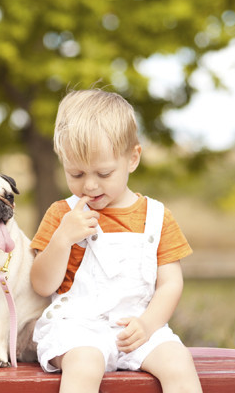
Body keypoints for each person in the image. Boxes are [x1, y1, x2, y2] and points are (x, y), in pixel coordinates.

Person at [29, 89, 202, 393]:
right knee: (84, 365)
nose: (90, 185)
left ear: (132, 158)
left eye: (104, 173)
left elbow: (170, 284)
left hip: (137, 326)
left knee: (178, 362)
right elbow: (42, 285)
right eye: (76, 173)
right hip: (77, 329)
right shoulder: (62, 214)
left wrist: (148, 324)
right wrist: (62, 240)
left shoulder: (157, 217)